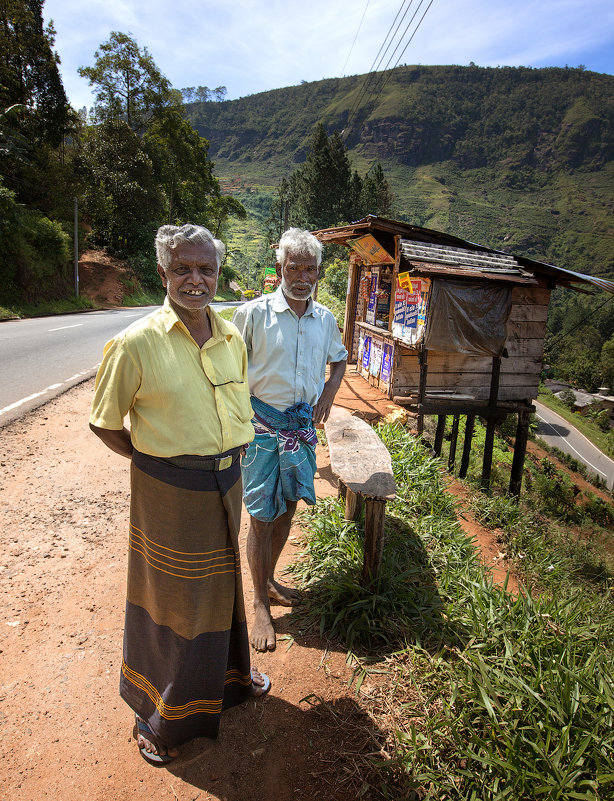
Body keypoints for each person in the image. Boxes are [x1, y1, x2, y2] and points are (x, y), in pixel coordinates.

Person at [89, 224, 270, 765]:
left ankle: (231, 680)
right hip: (167, 486)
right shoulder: (135, 343)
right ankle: (158, 714)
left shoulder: (232, 336)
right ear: (163, 274)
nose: (196, 279)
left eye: (206, 268)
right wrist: (154, 461)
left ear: (217, 273)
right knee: (169, 599)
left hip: (227, 477)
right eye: (183, 269)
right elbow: (104, 422)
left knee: (220, 585)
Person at [232, 228, 348, 652]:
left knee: (288, 508)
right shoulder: (253, 314)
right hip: (260, 429)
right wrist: (235, 424)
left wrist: (328, 397)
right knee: (261, 516)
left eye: (310, 268)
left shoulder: (325, 319)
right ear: (280, 267)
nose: (302, 276)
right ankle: (260, 604)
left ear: (319, 271)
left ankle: (268, 579)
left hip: (301, 430)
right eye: (293, 267)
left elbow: (339, 360)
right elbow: (227, 371)